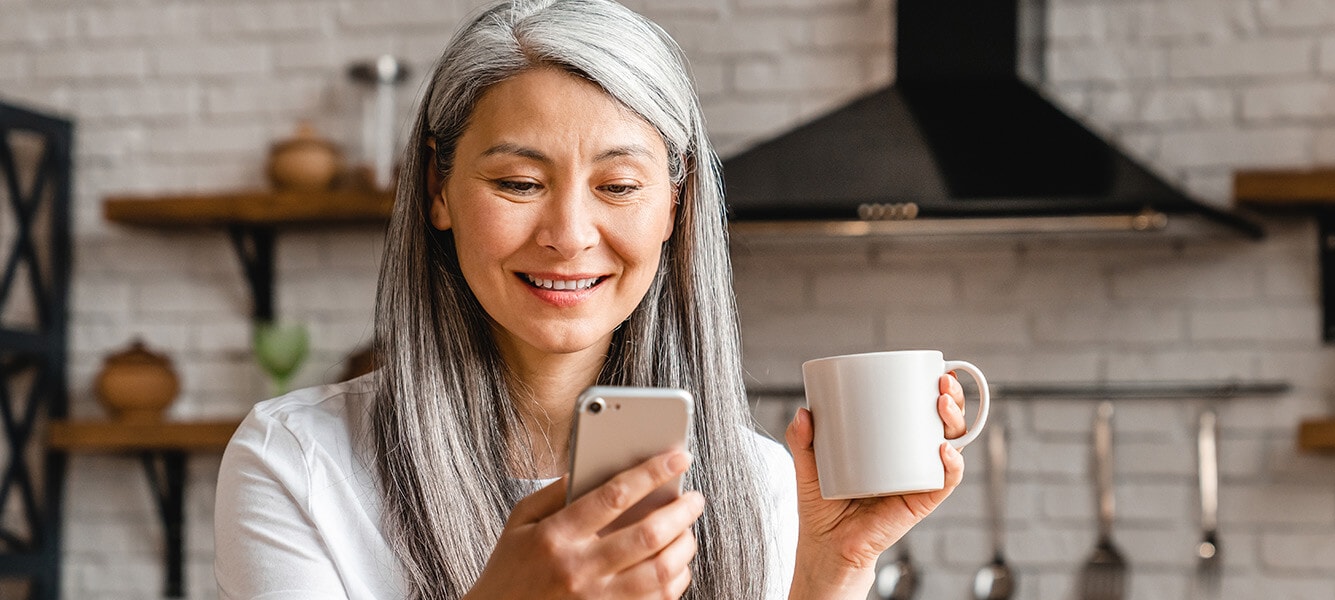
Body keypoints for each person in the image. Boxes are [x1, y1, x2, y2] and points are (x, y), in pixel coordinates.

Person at [213, 1, 971, 598]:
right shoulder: (298, 463)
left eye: (618, 187)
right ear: (438, 187)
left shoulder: (756, 482)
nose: (570, 235)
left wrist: (830, 571)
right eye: (518, 183)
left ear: (674, 207)